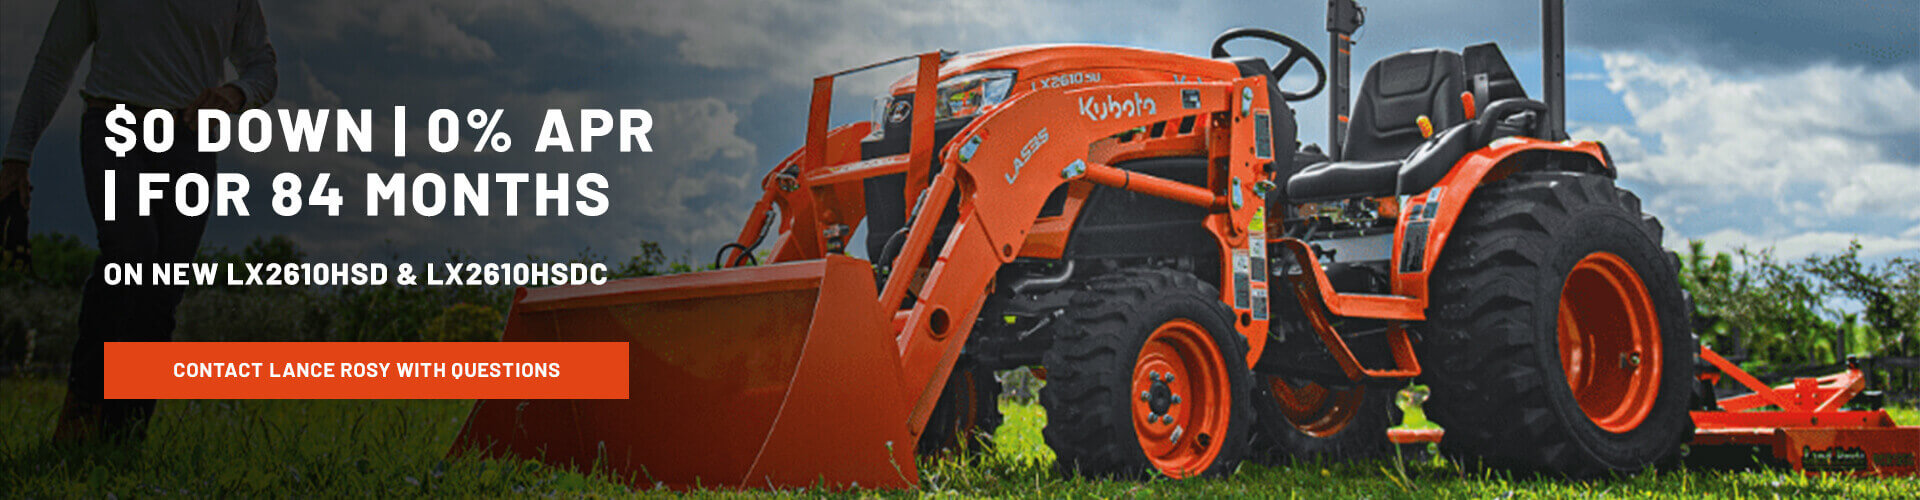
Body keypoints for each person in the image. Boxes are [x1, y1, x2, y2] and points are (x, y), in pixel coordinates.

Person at [0, 0, 277, 443]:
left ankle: (126, 430)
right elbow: (54, 63)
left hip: (191, 139)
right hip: (114, 126)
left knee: (164, 287)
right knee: (130, 253)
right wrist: (17, 156)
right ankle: (84, 405)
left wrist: (233, 93)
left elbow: (262, 66)